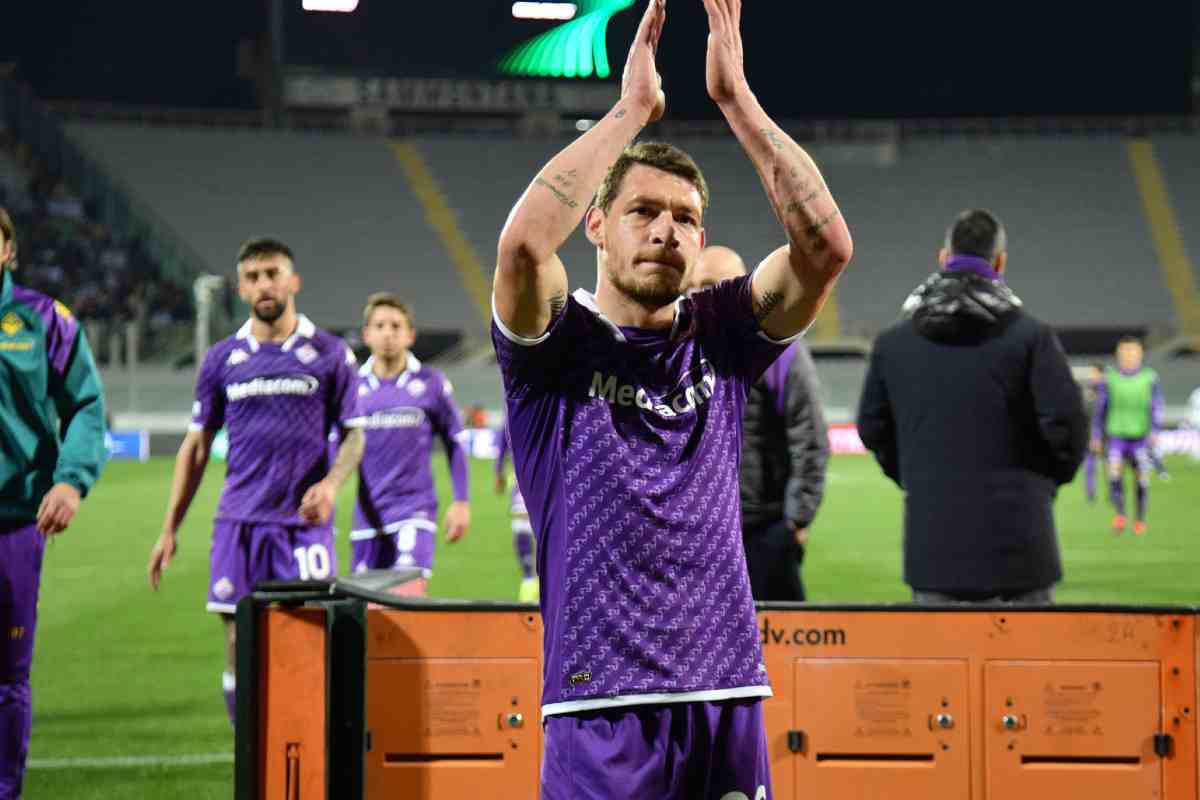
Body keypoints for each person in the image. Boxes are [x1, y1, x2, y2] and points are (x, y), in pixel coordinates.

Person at [491, 0, 853, 795]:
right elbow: (521, 247)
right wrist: (630, 112)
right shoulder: (554, 348)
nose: (666, 231)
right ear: (596, 226)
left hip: (727, 694)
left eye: (686, 218)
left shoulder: (721, 334)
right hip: (599, 704)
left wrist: (736, 100)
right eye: (644, 212)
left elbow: (826, 248)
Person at [147, 238, 363, 727]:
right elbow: (196, 447)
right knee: (238, 644)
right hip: (238, 524)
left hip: (302, 527)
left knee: (309, 641)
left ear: (293, 281)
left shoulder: (329, 354)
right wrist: (169, 529)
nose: (264, 284)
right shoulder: (222, 359)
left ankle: (305, 749)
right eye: (252, 277)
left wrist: (331, 485)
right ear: (241, 289)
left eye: (272, 273)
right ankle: (249, 753)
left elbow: (355, 436)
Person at [857, 209, 1087, 605]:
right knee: (1026, 647)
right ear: (1000, 262)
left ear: (943, 258)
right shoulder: (1033, 338)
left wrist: (918, 479)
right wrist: (1039, 485)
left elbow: (872, 427)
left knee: (943, 648)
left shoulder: (893, 344)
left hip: (933, 550)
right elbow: (1068, 426)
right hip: (1023, 549)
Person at [0, 208, 106, 800]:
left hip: (15, 525)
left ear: (7, 249)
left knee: (7, 678)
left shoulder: (42, 320)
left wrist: (71, 481)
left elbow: (87, 405)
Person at [684, 245, 829, 602]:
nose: (701, 295)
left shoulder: (780, 350)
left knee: (775, 632)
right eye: (694, 286)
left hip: (762, 530)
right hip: (692, 531)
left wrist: (796, 520)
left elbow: (809, 436)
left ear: (743, 287)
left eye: (713, 285)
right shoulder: (675, 350)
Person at [345, 293, 470, 596]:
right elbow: (334, 447)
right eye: (380, 326)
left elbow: (455, 442)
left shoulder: (431, 383)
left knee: (407, 597)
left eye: (396, 326)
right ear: (367, 334)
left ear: (410, 335)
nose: (388, 333)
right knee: (364, 610)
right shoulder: (353, 387)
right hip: (367, 518)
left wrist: (461, 501)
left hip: (415, 512)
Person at [1093, 337, 1162, 535]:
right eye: (1125, 351)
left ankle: (1139, 519)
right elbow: (1100, 409)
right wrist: (1096, 435)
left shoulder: (1150, 377)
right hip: (1117, 436)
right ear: (1118, 354)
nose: (1129, 355)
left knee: (1142, 479)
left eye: (1133, 351)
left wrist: (1155, 430)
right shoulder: (1110, 378)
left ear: (1140, 354)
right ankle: (1120, 514)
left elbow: (1156, 406)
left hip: (1140, 437)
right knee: (1114, 474)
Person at [494, 422, 538, 602]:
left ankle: (541, 579)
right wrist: (498, 470)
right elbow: (504, 437)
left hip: (548, 471)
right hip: (523, 474)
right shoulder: (513, 413)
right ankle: (529, 579)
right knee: (521, 522)